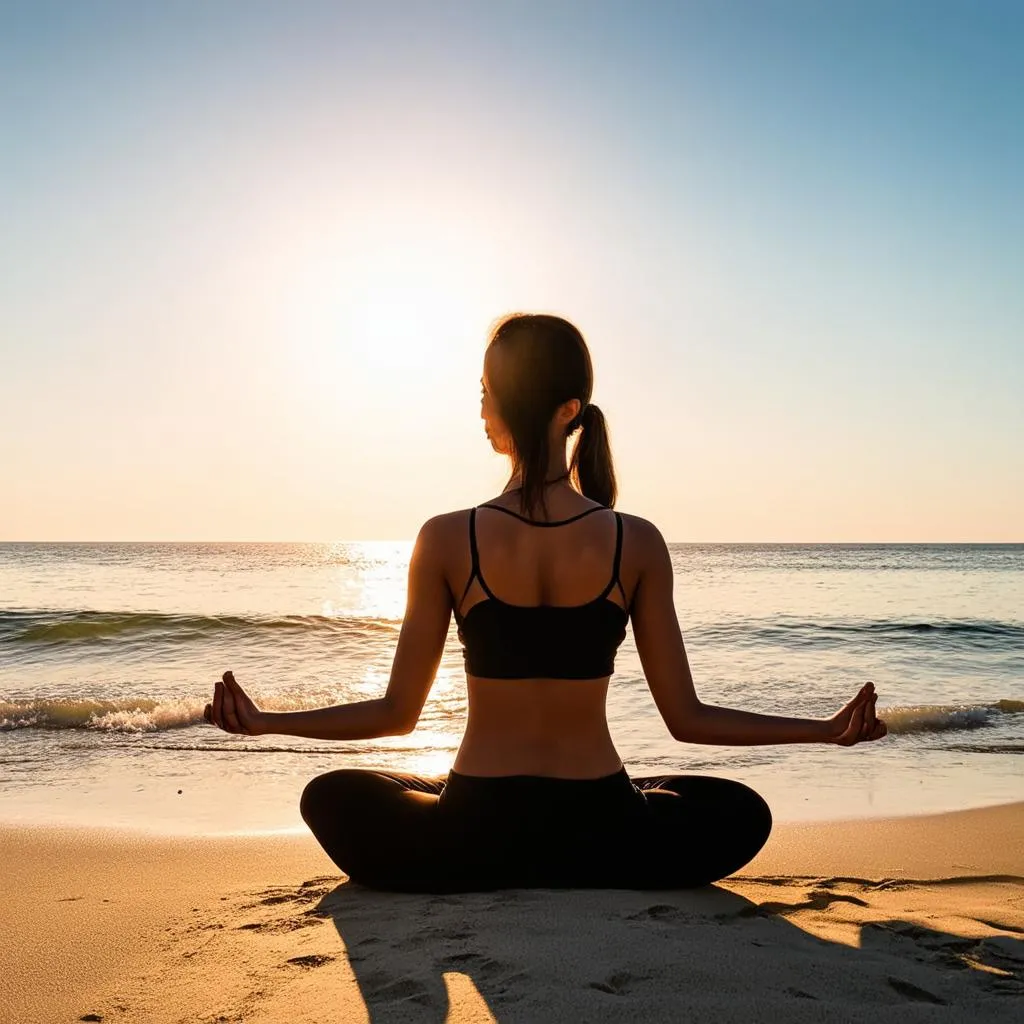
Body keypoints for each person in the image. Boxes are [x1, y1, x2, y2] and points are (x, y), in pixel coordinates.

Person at [205, 313, 887, 893]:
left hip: (474, 831)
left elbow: (397, 714)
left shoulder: (446, 537)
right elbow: (688, 719)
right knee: (737, 809)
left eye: (488, 393)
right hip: (604, 830)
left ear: (538, 408)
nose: (480, 409)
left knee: (334, 795)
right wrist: (823, 730)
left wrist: (268, 723)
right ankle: (603, 814)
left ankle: (489, 812)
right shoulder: (635, 542)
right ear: (572, 410)